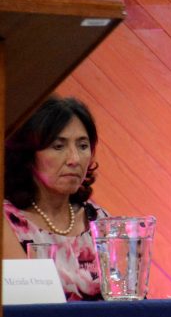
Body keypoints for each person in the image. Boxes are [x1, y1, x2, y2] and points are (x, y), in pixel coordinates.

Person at [3, 95, 109, 300]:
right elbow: (25, 303)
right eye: (58, 146)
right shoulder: (7, 222)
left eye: (83, 146)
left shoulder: (100, 220)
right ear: (28, 154)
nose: (74, 159)